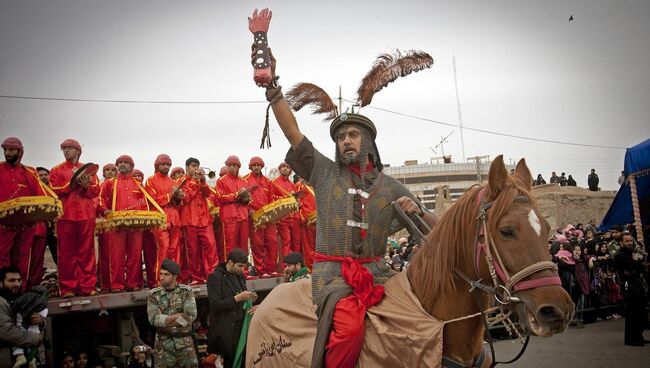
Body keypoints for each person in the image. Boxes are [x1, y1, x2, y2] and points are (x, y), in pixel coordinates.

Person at [258, 47, 437, 367]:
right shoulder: (325, 173)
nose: (346, 141)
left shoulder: (391, 187)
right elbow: (293, 133)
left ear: (368, 142)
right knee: (351, 331)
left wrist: (418, 211)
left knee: (420, 317)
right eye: (341, 137)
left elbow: (435, 230)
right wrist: (274, 90)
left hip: (381, 274)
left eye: (353, 135)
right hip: (334, 278)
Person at [50, 139, 100, 297]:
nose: (66, 152)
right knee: (66, 253)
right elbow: (54, 190)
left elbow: (96, 190)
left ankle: (87, 286)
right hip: (66, 216)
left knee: (87, 252)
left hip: (86, 215)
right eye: (64, 149)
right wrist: (72, 182)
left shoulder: (89, 170)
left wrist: (86, 186)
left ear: (78, 151)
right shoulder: (56, 170)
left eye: (70, 149)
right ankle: (68, 288)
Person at [0, 138, 48, 289]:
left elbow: (40, 195)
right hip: (3, 225)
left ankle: (21, 292)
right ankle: (3, 294)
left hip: (26, 225)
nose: (8, 153)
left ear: (20, 152)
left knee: (23, 258)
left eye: (11, 150)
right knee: (2, 258)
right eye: (5, 150)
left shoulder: (29, 172)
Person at [207, 248, 257, 368]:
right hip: (226, 333)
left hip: (241, 329)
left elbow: (242, 294)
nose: (242, 270)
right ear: (230, 262)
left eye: (244, 267)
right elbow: (215, 305)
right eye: (240, 266)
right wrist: (238, 298)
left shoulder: (239, 276)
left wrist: (250, 298)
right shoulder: (215, 277)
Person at [147, 259, 198, 368]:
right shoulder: (154, 295)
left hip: (184, 344)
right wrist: (177, 316)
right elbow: (153, 320)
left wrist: (165, 322)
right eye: (161, 274)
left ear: (175, 276)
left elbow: (190, 316)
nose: (162, 277)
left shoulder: (186, 292)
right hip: (163, 345)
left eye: (166, 274)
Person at [145, 154, 184, 285]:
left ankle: (174, 279)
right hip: (160, 218)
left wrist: (179, 197)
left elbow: (177, 204)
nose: (166, 167)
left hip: (174, 218)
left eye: (168, 164)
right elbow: (152, 200)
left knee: (175, 250)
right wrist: (170, 195)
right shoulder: (150, 180)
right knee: (164, 248)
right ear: (157, 165)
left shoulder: (174, 182)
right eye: (163, 164)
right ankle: (159, 280)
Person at [178, 160, 218, 284]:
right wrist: (194, 181)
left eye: (197, 166)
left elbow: (207, 194)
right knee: (193, 251)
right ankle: (197, 278)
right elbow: (185, 198)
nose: (196, 168)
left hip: (205, 220)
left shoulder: (200, 181)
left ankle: (213, 276)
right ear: (187, 168)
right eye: (193, 166)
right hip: (190, 220)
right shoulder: (181, 182)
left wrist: (203, 182)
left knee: (211, 247)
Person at [242, 156, 281, 277]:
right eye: (254, 165)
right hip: (255, 217)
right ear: (250, 166)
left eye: (259, 165)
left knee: (272, 242)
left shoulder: (267, 181)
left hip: (268, 216)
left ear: (262, 166)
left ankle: (271, 269)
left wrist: (272, 212)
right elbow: (243, 199)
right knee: (257, 244)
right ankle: (261, 270)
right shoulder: (245, 180)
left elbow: (271, 197)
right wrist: (249, 210)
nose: (257, 167)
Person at [0, 266, 43, 368]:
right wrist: (35, 339)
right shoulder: (1, 302)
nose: (17, 284)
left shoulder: (21, 300)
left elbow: (36, 325)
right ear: (1, 283)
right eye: (11, 280)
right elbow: (7, 332)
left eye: (19, 280)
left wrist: (40, 321)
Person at [613, 232, 648, 346]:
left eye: (630, 241)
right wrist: (637, 264)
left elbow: (638, 268)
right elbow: (632, 267)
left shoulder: (630, 253)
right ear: (621, 242)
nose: (629, 243)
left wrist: (637, 265)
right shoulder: (620, 255)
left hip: (635, 283)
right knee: (632, 311)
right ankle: (631, 339)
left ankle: (639, 336)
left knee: (639, 310)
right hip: (628, 284)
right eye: (626, 241)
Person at [215, 156, 250, 256]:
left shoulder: (244, 181)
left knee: (243, 244)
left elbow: (248, 200)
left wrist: (246, 199)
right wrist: (236, 195)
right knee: (230, 244)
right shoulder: (221, 181)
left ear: (238, 167)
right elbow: (220, 197)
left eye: (234, 165)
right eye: (229, 165)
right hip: (229, 217)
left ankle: (244, 269)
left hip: (243, 216)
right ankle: (229, 268)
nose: (232, 167)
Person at [271, 162, 302, 261]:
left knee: (296, 242)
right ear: (279, 169)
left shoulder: (292, 184)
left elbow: (295, 200)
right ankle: (286, 266)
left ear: (290, 171)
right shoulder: (274, 183)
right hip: (283, 217)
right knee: (286, 241)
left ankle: (296, 265)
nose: (285, 169)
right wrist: (286, 198)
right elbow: (272, 199)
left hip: (294, 216)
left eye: (287, 167)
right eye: (283, 167)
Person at [295, 175, 316, 270]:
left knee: (319, 245)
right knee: (308, 246)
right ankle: (310, 268)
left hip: (319, 219)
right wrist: (303, 217)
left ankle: (319, 267)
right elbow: (297, 202)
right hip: (307, 220)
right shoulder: (300, 185)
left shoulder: (318, 186)